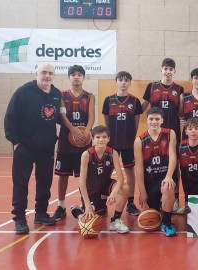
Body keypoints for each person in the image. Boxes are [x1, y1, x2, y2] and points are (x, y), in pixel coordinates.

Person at [4, 64, 61, 234]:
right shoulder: (23, 92)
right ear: (36, 73)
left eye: (50, 73)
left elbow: (59, 117)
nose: (47, 76)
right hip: (25, 147)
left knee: (45, 181)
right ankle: (20, 219)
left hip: (47, 147)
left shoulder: (56, 94)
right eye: (43, 72)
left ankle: (41, 213)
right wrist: (15, 141)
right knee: (21, 183)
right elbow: (10, 117)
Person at [52, 65, 95, 221]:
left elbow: (91, 116)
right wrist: (73, 130)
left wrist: (86, 132)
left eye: (79, 74)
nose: (76, 77)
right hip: (66, 138)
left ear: (84, 77)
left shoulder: (90, 96)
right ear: (69, 77)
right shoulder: (61, 94)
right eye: (73, 75)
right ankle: (61, 206)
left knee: (85, 175)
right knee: (62, 175)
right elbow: (62, 116)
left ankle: (86, 203)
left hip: (84, 140)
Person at [142, 58, 184, 213]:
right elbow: (142, 108)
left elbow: (180, 112)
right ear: (161, 70)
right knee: (152, 165)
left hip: (172, 133)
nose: (168, 71)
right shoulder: (151, 87)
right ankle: (152, 196)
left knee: (175, 167)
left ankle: (175, 199)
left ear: (174, 71)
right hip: (154, 134)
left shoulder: (179, 89)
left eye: (171, 69)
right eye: (165, 68)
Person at [69, 126, 130, 233]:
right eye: (98, 137)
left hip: (105, 185)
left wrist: (114, 192)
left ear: (108, 139)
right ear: (93, 139)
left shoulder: (113, 153)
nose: (101, 140)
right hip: (90, 188)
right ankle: (78, 211)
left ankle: (116, 220)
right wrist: (88, 205)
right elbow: (82, 183)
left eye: (104, 137)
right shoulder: (87, 154)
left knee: (124, 189)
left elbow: (120, 178)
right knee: (90, 219)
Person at [102, 71, 143, 216]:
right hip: (112, 142)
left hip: (128, 143)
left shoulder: (135, 101)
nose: (123, 82)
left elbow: (136, 124)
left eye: (126, 80)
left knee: (130, 172)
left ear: (130, 83)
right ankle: (102, 203)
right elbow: (107, 123)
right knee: (106, 171)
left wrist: (131, 139)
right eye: (121, 80)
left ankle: (130, 203)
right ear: (116, 82)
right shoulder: (108, 100)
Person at [134, 107, 178, 236]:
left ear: (162, 120)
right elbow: (139, 167)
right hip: (150, 180)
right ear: (146, 121)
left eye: (157, 119)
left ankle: (167, 223)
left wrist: (169, 176)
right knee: (152, 215)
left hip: (165, 176)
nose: (154, 122)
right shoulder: (139, 140)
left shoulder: (170, 133)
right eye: (151, 119)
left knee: (168, 187)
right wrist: (142, 192)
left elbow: (173, 156)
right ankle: (161, 212)